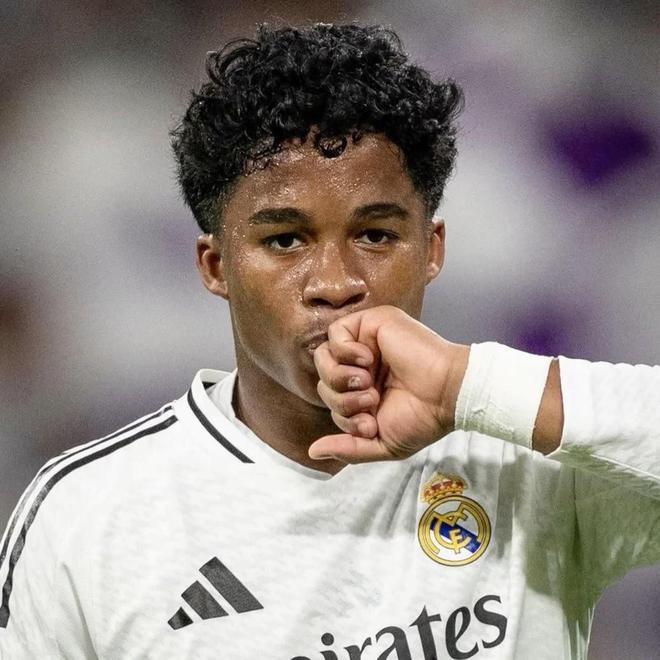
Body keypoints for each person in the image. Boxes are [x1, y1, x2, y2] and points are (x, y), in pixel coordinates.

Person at [0, 22, 658, 660]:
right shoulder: (87, 519)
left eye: (375, 235)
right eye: (285, 240)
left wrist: (467, 387)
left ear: (431, 249)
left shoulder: (524, 455)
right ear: (215, 266)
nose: (336, 283)